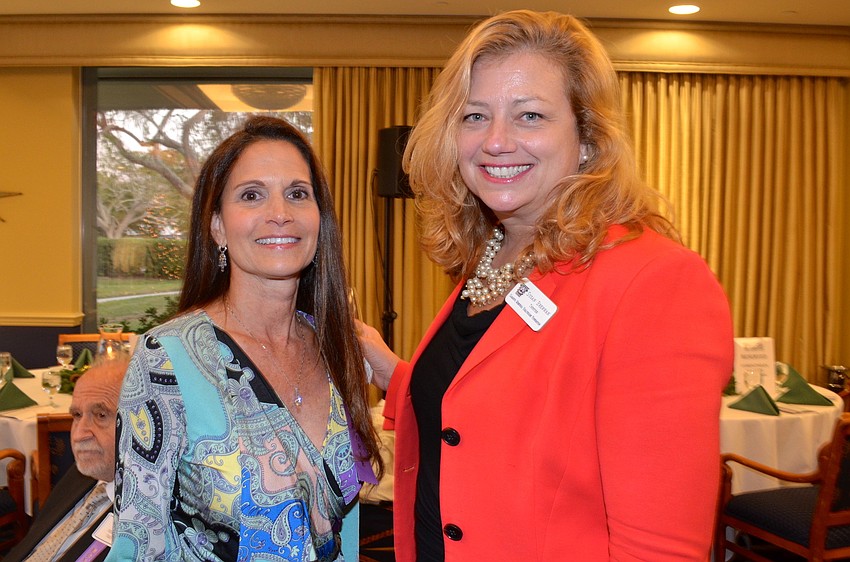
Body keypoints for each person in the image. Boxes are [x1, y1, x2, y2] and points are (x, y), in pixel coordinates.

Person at [358, 10, 735, 562]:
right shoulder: (493, 254)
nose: (496, 141)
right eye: (474, 116)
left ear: (588, 138)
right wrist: (387, 368)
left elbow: (660, 548)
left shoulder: (654, 281)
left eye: (530, 115)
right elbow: (493, 412)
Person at [106, 116, 381, 561]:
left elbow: (341, 526)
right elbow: (138, 541)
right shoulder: (168, 359)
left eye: (297, 193)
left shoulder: (334, 345)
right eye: (252, 195)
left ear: (319, 219)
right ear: (217, 226)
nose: (280, 212)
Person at [5, 354, 130, 562]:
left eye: (101, 415)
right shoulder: (83, 474)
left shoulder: (150, 518)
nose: (79, 435)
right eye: (77, 415)